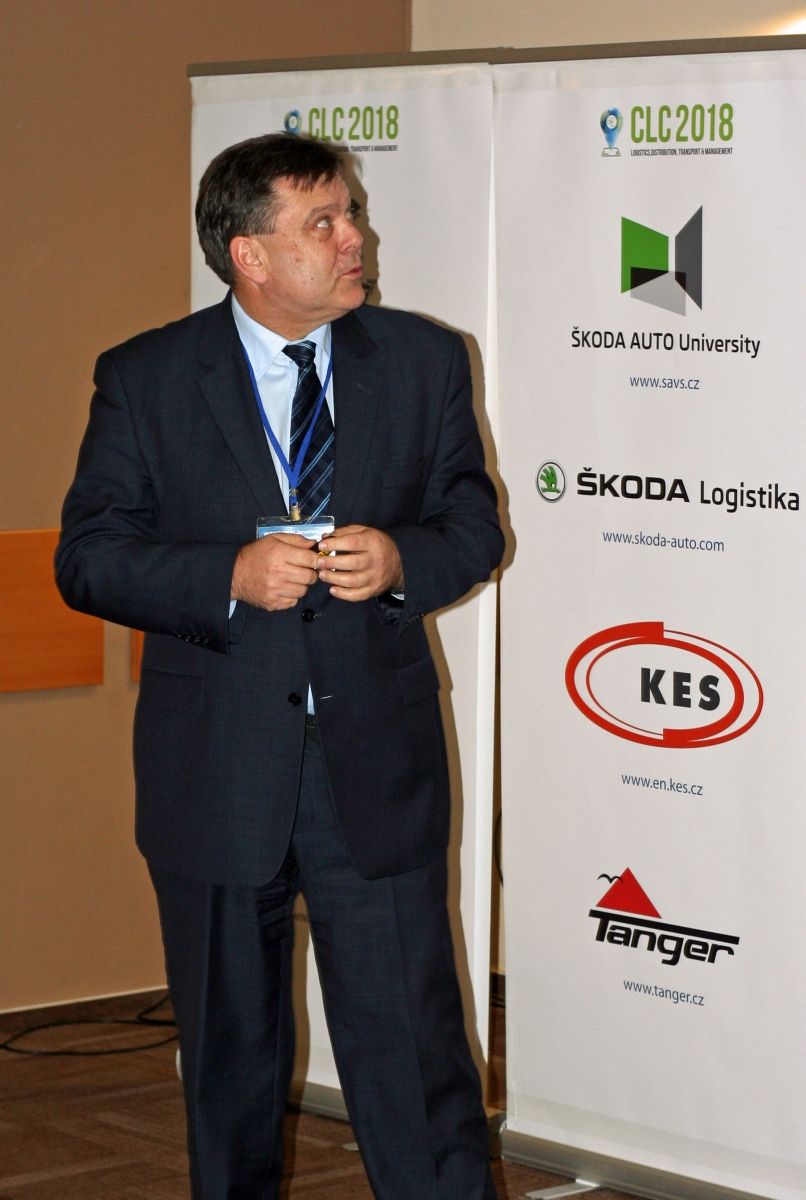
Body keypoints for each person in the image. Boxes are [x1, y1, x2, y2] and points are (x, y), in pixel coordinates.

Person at [56, 132, 504, 1200]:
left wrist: (401, 561)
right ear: (248, 255)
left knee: (418, 1071)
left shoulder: (425, 360)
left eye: (350, 214)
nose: (357, 239)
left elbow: (473, 525)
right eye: (325, 222)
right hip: (214, 770)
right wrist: (226, 574)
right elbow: (90, 557)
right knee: (230, 1071)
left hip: (375, 769)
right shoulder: (146, 377)